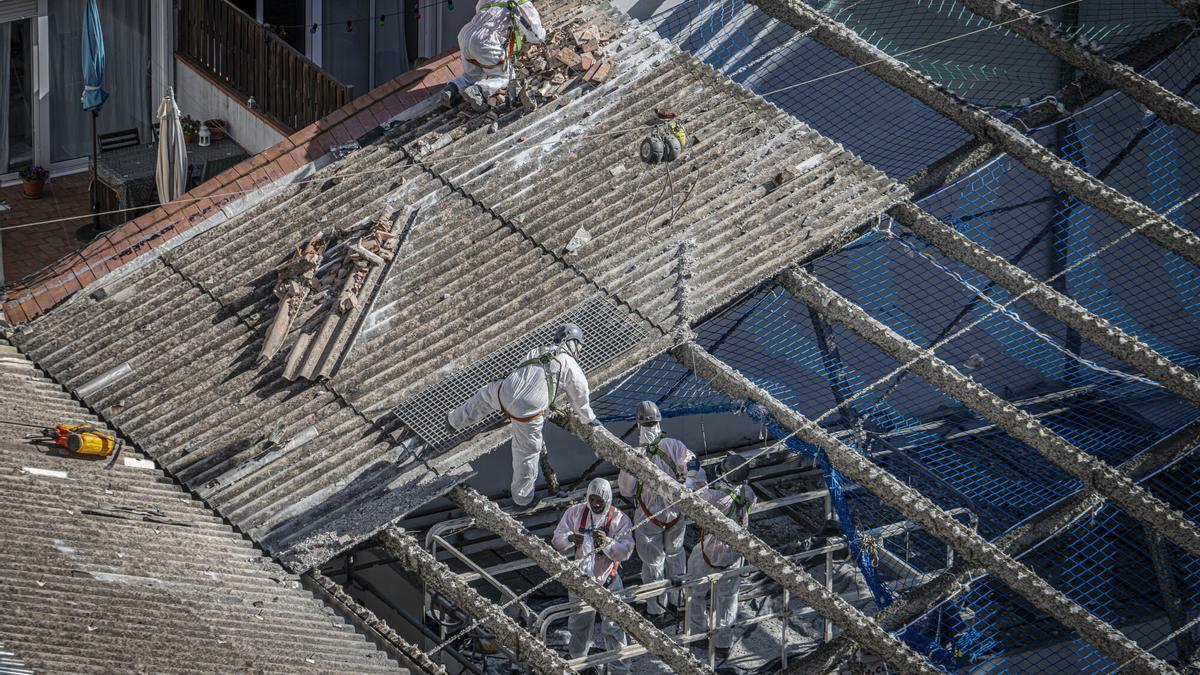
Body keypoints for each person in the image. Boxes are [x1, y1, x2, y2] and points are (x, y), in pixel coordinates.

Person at [447, 323, 598, 509]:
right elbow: (580, 394)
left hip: (504, 393)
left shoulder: (538, 350)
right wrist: (589, 418)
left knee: (483, 399)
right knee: (527, 452)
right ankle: (523, 499)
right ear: (574, 343)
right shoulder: (569, 363)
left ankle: (453, 420)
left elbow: (525, 373)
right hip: (527, 415)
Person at [616, 401, 702, 626]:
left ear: (638, 424)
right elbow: (694, 465)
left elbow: (626, 490)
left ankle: (656, 609)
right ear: (659, 420)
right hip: (675, 513)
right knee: (676, 555)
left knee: (653, 563)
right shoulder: (674, 445)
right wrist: (688, 484)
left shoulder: (635, 455)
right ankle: (678, 602)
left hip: (648, 517)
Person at [551, 478, 635, 674]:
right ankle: (579, 664)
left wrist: (608, 543)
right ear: (587, 497)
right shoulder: (575, 512)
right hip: (581, 580)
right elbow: (557, 539)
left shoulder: (619, 519)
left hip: (609, 580)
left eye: (600, 501)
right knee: (579, 626)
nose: (596, 504)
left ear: (608, 499)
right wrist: (571, 538)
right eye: (593, 500)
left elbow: (626, 551)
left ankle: (620, 670)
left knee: (614, 626)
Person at [685, 453, 757, 660]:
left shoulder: (714, 497)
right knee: (728, 598)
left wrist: (692, 476)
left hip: (710, 551)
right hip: (735, 552)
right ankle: (723, 643)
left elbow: (688, 498)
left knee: (695, 591)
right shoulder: (748, 493)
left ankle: (698, 633)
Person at [440, 0, 546, 112]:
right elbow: (536, 36)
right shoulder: (522, 2)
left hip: (466, 34)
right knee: (506, 77)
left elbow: (479, 10)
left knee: (471, 75)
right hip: (486, 40)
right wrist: (543, 36)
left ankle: (452, 89)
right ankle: (479, 90)